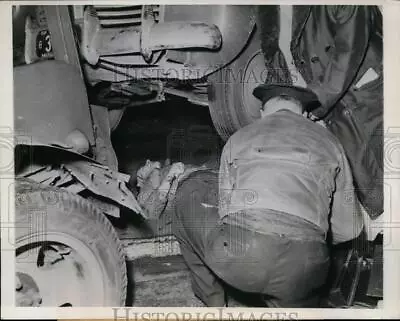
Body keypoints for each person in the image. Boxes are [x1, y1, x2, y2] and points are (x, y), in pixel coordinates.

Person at [172, 85, 364, 307]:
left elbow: (225, 211)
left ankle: (215, 306)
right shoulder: (331, 143)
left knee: (186, 193)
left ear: (262, 113)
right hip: (304, 267)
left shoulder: (239, 138)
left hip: (242, 259)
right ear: (304, 115)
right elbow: (349, 229)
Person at [256, 5, 383, 220]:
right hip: (317, 101)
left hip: (362, 94)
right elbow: (275, 61)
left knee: (380, 178)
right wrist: (280, 110)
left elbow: (348, 50)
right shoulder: (265, 8)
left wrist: (310, 105)